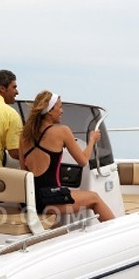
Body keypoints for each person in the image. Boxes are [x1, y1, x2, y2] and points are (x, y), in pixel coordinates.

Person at [19, 90, 115, 223]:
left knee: (60, 224)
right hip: (50, 200)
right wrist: (92, 140)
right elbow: (83, 161)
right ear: (50, 111)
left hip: (29, 201)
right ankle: (118, 230)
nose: (62, 111)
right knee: (94, 198)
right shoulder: (62, 131)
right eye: (59, 107)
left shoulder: (24, 136)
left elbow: (24, 169)